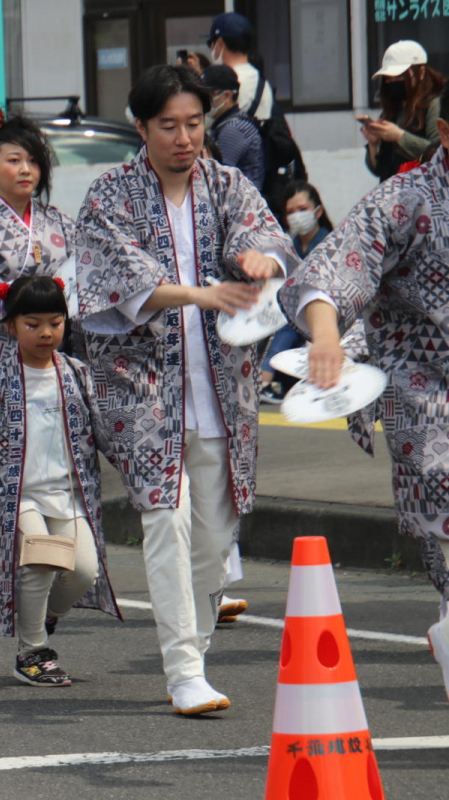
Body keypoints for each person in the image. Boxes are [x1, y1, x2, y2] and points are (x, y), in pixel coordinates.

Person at [75, 65, 297, 715]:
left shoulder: (227, 185)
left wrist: (264, 259)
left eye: (194, 124)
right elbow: (115, 278)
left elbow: (269, 236)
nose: (183, 137)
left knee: (213, 538)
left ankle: (192, 650)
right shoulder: (109, 195)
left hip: (223, 389)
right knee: (165, 522)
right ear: (141, 127)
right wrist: (199, 292)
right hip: (141, 390)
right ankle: (183, 669)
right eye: (167, 125)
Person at [279, 87, 449, 702]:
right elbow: (335, 268)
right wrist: (326, 337)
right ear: (446, 133)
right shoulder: (405, 199)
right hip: (419, 383)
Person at [0, 274, 120, 686]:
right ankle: (32, 652)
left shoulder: (78, 375)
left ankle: (41, 615)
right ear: (11, 325)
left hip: (68, 492)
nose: (47, 333)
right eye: (33, 324)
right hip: (15, 494)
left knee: (85, 571)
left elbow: (111, 427)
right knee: (43, 561)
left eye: (56, 322)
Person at [0, 111, 74, 392]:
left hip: (54, 345)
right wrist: (33, 311)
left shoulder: (61, 222)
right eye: (14, 160)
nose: (26, 169)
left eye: (33, 161)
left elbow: (80, 275)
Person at [259, 180, 333, 404]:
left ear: (318, 211)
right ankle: (265, 381)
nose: (296, 216)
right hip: (295, 312)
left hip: (325, 314)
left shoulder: (330, 243)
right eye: (290, 212)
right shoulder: (289, 245)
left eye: (303, 210)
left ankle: (266, 382)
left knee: (285, 328)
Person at [362, 41, 445, 182]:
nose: (393, 82)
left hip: (424, 195)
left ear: (421, 72)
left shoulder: (434, 104)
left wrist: (398, 136)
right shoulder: (394, 109)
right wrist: (373, 145)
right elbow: (379, 170)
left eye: (400, 76)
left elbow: (440, 152)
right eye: (388, 78)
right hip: (393, 196)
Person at [201, 65, 264, 190]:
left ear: (227, 95)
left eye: (208, 95)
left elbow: (218, 176)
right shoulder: (234, 121)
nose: (203, 101)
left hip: (243, 203)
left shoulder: (233, 129)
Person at [206, 13, 273, 122]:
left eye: (211, 43)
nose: (211, 49)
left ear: (220, 43)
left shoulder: (226, 82)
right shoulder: (262, 81)